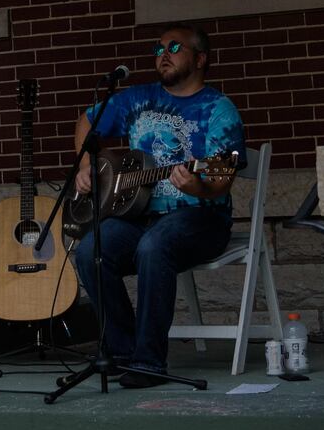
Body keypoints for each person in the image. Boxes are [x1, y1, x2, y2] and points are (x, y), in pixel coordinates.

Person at [70, 22, 244, 387]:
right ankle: (121, 351)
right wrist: (86, 165)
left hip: (201, 218)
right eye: (158, 49)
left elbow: (221, 179)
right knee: (91, 249)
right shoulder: (136, 98)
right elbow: (87, 122)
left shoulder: (219, 109)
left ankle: (148, 363)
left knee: (154, 246)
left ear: (200, 58)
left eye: (174, 48)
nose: (162, 55)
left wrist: (198, 185)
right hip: (137, 214)